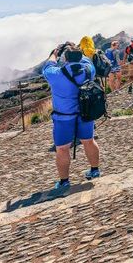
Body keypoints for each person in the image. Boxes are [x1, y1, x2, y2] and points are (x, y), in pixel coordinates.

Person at [42, 42, 101, 189]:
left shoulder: (55, 75)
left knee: (62, 148)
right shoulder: (89, 70)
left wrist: (55, 53)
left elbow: (49, 64)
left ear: (66, 59)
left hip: (63, 117)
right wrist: (76, 48)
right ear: (80, 56)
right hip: (85, 113)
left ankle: (64, 181)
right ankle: (94, 170)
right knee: (89, 141)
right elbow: (86, 59)